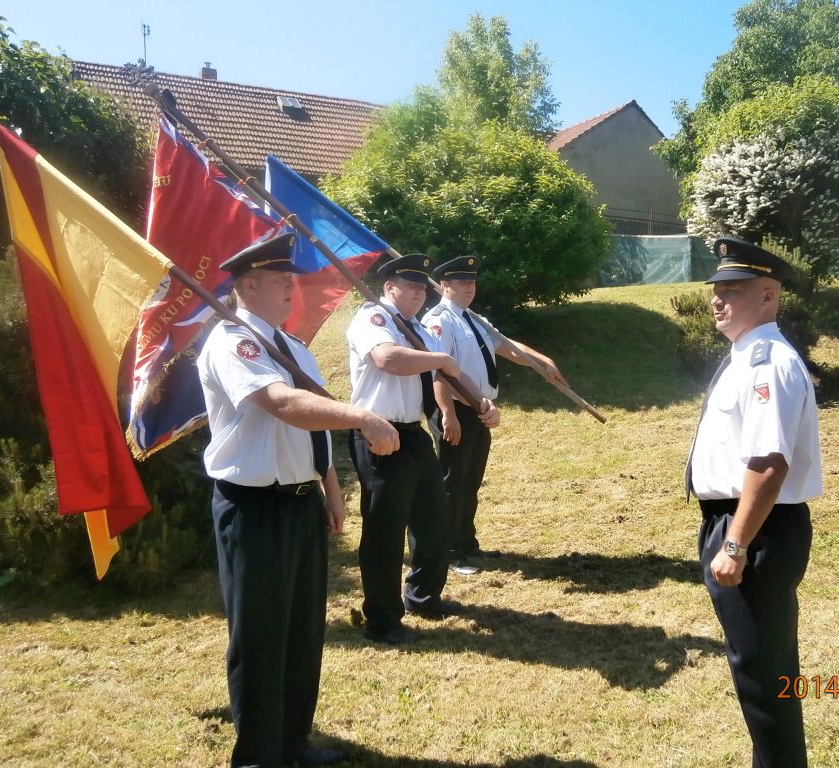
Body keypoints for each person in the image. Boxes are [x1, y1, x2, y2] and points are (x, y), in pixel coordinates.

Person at [198, 232, 399, 768]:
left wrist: (328, 489)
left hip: (301, 502)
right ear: (248, 286)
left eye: (291, 278)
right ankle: (258, 757)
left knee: (302, 630)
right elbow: (283, 404)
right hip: (254, 507)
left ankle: (292, 744)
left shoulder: (293, 348)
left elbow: (310, 424)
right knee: (261, 635)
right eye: (280, 279)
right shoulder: (234, 342)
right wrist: (362, 416)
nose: (291, 286)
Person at [685, 236, 822, 767]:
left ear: (768, 296)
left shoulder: (767, 362)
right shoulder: (746, 356)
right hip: (738, 523)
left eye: (734, 291)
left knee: (764, 674)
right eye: (717, 290)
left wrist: (735, 545)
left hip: (756, 528)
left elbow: (768, 464)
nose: (718, 300)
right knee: (759, 666)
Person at [346, 253, 500, 645]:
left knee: (434, 518)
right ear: (388, 287)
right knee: (385, 531)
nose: (417, 293)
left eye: (420, 287)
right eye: (409, 286)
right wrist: (441, 358)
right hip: (379, 433)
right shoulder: (373, 318)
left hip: (413, 434)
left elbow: (446, 373)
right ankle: (382, 620)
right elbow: (388, 359)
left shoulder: (416, 327)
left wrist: (481, 402)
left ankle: (423, 596)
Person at [422, 256, 566, 574]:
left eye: (472, 281)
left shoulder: (475, 319)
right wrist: (447, 414)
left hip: (479, 409)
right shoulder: (438, 321)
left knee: (470, 480)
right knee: (452, 482)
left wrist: (542, 361)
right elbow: (437, 371)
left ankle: (467, 543)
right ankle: (449, 551)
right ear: (444, 285)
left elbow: (507, 347)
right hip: (456, 409)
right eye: (462, 282)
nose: (469, 287)